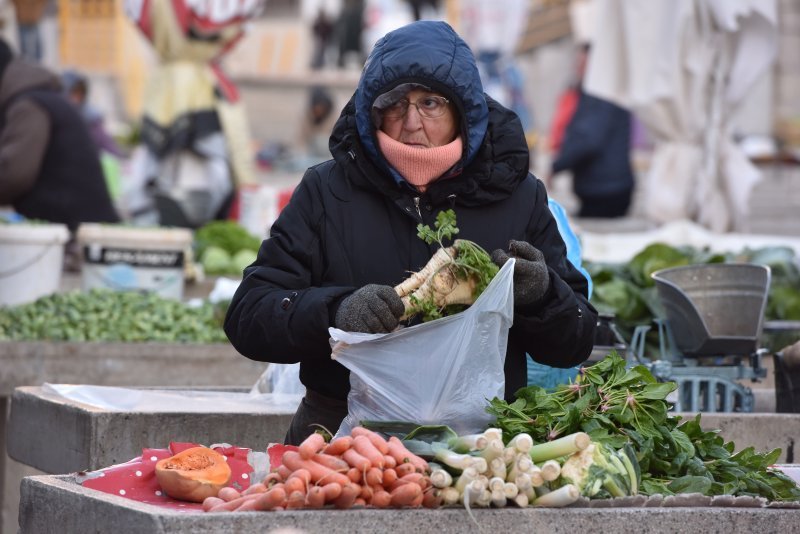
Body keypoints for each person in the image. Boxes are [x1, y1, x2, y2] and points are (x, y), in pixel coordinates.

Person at [224, 21, 598, 445]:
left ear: (464, 110)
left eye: (431, 103)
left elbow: (576, 342)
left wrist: (543, 296)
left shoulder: (518, 196)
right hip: (336, 438)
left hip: (480, 448)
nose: (412, 123)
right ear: (372, 109)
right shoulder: (328, 190)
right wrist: (335, 313)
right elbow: (248, 317)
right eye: (394, 103)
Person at [0, 37, 120, 232]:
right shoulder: (41, 98)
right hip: (73, 230)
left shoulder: (29, 106)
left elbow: (13, 175)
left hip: (78, 237)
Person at [550, 44, 635, 218]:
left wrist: (556, 166)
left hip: (605, 190)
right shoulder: (599, 90)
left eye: (583, 63)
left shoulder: (600, 93)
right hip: (605, 187)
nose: (578, 69)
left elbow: (588, 140)